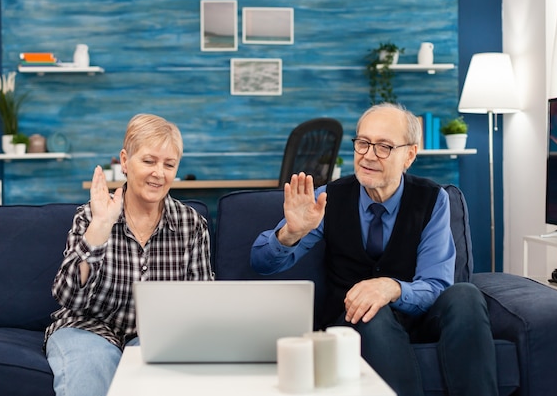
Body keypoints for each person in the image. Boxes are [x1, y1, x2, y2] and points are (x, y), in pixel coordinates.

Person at [251, 103, 497, 396]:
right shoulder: (328, 198)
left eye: (383, 146)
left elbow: (436, 284)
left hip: (420, 316)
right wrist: (290, 233)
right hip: (355, 320)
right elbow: (261, 263)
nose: (368, 155)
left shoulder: (433, 200)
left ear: (409, 155)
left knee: (465, 293)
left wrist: (392, 288)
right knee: (372, 311)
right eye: (363, 143)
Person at [45, 113, 214, 396]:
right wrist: (99, 228)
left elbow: (201, 305)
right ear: (125, 161)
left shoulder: (191, 224)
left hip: (156, 338)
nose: (159, 173)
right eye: (149, 161)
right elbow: (68, 297)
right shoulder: (90, 216)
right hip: (87, 328)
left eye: (169, 164)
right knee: (88, 375)